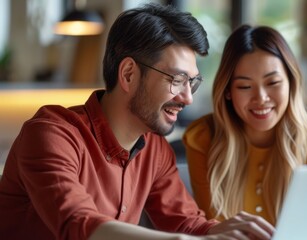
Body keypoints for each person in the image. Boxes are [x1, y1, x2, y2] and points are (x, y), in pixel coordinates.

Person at [0, 5, 275, 240]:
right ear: (129, 74)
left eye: (191, 82)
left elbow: (188, 225)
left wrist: (228, 231)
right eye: (176, 80)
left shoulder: (155, 150)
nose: (188, 97)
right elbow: (78, 224)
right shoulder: (51, 134)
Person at [183, 25, 307, 226]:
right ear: (227, 91)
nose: (261, 98)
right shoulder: (203, 138)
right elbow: (212, 228)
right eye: (245, 86)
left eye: (273, 83)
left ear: (291, 83)